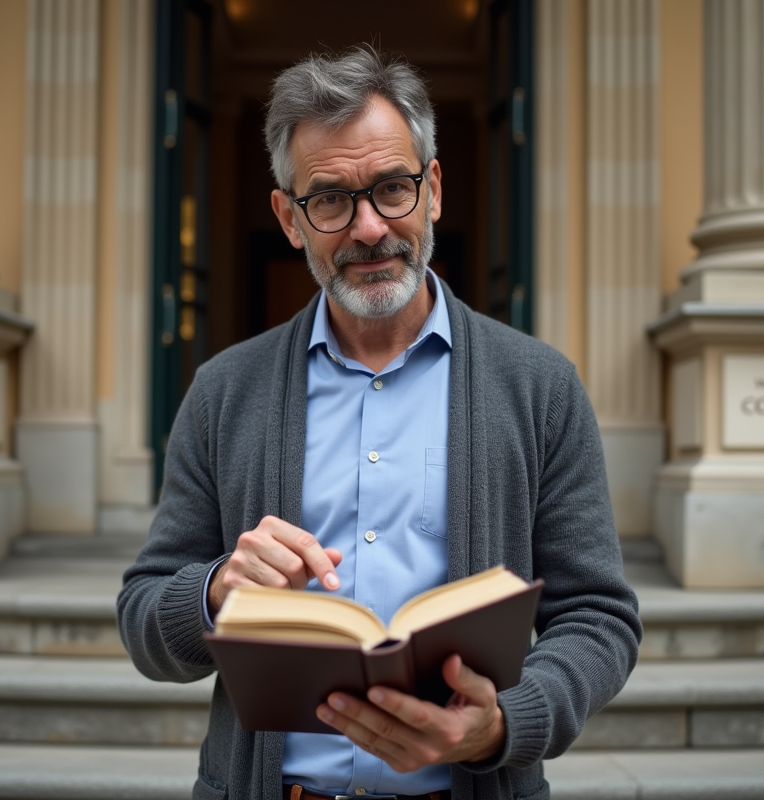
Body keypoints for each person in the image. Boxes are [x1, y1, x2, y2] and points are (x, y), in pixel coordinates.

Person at [118, 45, 641, 800]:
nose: (368, 228)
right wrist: (216, 588)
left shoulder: (540, 387)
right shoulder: (223, 392)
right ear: (289, 219)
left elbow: (598, 618)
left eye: (392, 188)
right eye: (330, 199)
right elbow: (143, 614)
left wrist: (505, 723)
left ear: (433, 191)